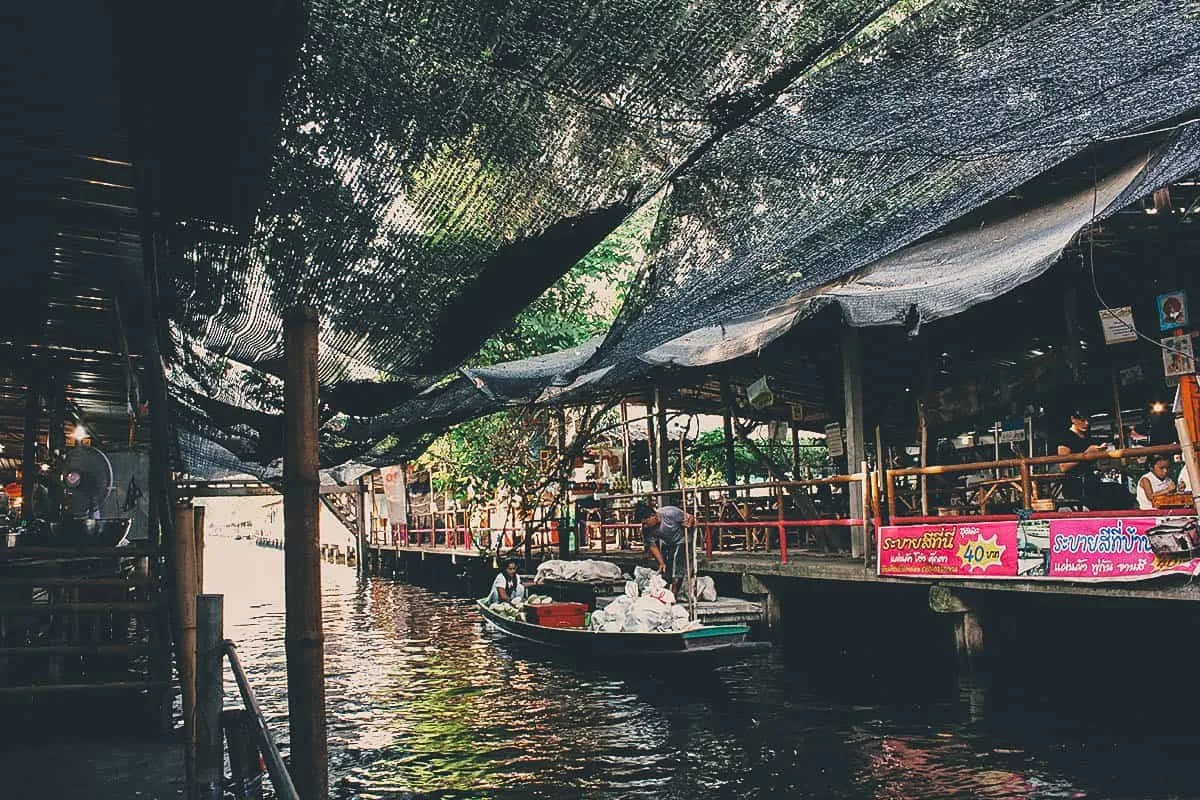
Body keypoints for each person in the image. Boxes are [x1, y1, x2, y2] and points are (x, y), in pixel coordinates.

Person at [636, 502, 696, 595]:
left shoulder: (670, 513)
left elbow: (691, 517)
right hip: (667, 542)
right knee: (665, 569)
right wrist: (661, 563)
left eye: (645, 522)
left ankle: (673, 596)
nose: (644, 526)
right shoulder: (646, 529)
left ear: (653, 515)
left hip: (683, 539)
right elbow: (652, 546)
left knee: (678, 566)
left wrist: (689, 523)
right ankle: (664, 593)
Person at [1055, 410, 1109, 507]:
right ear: (1073, 419)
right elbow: (1063, 466)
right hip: (1075, 484)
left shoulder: (1087, 436)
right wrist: (1086, 454)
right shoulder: (1065, 436)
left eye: (1088, 420)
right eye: (1082, 420)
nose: (1086, 423)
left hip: (1091, 481)